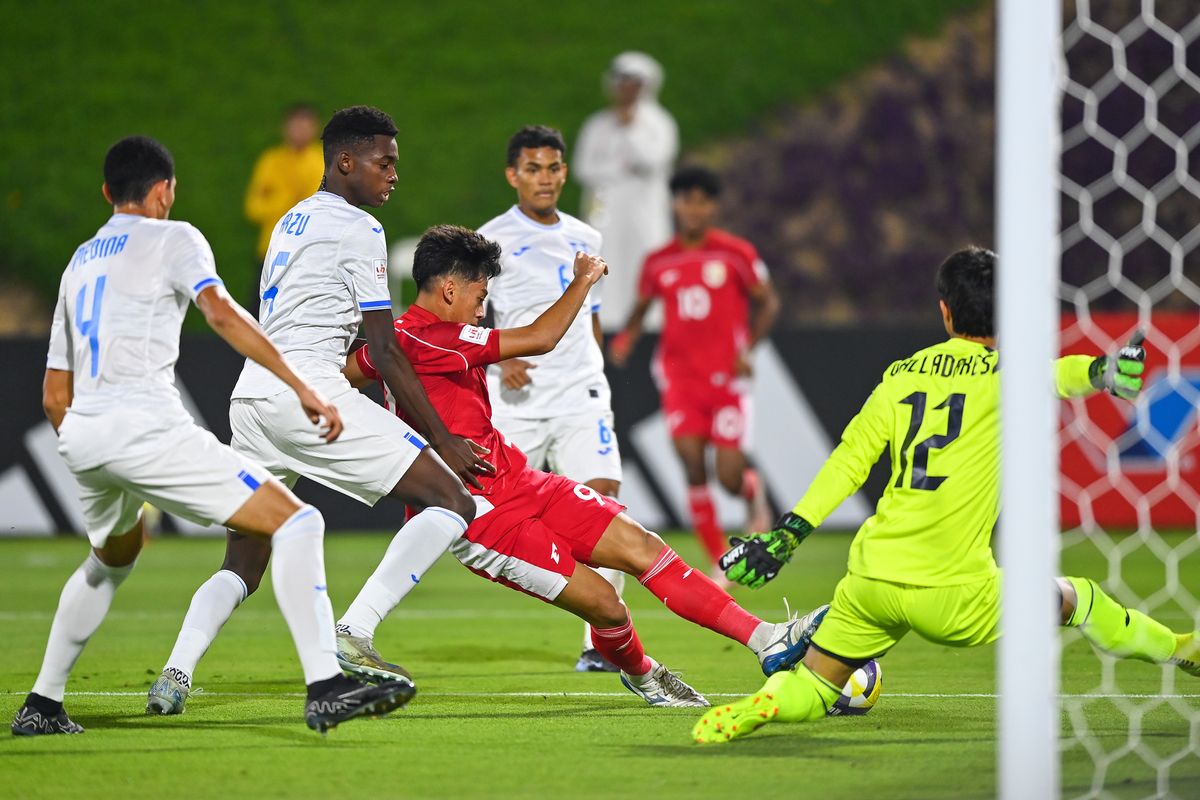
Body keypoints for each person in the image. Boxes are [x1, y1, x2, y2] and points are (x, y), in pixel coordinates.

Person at [693, 246, 1200, 743]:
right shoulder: (1007, 375)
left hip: (873, 579)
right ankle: (1181, 648)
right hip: (953, 592)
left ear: (945, 311)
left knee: (815, 685)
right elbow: (1063, 375)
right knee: (1077, 598)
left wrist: (788, 535)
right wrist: (1102, 371)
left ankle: (763, 704)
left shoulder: (899, 376)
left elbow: (849, 461)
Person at [10, 136, 412, 736]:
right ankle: (326, 688)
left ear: (107, 192)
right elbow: (222, 313)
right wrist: (300, 385)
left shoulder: (80, 262)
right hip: (149, 432)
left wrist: (89, 447)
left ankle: (42, 704)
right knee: (299, 522)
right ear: (165, 190)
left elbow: (53, 396)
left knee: (109, 560)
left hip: (85, 437)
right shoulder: (175, 238)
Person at [345, 223, 829, 707]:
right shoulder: (428, 338)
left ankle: (767, 639)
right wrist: (583, 279)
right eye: (479, 295)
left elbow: (343, 374)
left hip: (522, 480)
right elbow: (541, 337)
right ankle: (645, 675)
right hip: (482, 517)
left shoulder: (396, 344)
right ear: (450, 289)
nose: (481, 308)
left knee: (644, 547)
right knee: (606, 607)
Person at [144, 106, 493, 716]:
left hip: (252, 398)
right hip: (307, 392)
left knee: (244, 561)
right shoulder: (360, 228)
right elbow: (384, 348)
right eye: (384, 162)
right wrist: (443, 439)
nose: (393, 174)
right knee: (453, 499)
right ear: (346, 162)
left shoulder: (291, 219)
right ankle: (353, 633)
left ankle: (175, 674)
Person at [479, 125, 626, 673]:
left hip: (581, 395)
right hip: (518, 399)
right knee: (488, 523)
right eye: (533, 169)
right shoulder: (489, 239)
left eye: (554, 168)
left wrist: (596, 369)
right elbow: (468, 316)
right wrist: (501, 360)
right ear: (512, 175)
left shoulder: (587, 236)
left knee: (604, 501)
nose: (545, 178)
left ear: (565, 172)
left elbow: (593, 316)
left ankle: (601, 642)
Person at [610, 166, 779, 580]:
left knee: (728, 477)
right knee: (691, 465)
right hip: (680, 378)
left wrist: (748, 348)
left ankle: (751, 490)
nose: (694, 209)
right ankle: (720, 561)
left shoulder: (735, 253)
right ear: (675, 204)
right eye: (687, 200)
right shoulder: (658, 261)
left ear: (713, 207)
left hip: (727, 380)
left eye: (702, 201)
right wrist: (627, 336)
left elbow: (769, 302)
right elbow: (642, 304)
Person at [575, 52, 678, 331]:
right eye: (622, 83)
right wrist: (620, 168)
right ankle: (603, 322)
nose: (626, 90)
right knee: (603, 262)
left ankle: (649, 326)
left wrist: (630, 129)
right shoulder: (597, 124)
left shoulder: (659, 123)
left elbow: (651, 160)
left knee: (644, 262)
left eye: (634, 84)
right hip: (603, 211)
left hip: (644, 213)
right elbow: (583, 168)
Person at [244, 103, 325, 264]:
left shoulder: (323, 161)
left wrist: (277, 200)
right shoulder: (270, 161)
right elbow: (253, 208)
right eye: (295, 126)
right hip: (271, 250)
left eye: (305, 127)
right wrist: (286, 200)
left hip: (309, 251)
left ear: (315, 128)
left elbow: (320, 209)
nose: (299, 131)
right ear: (285, 128)